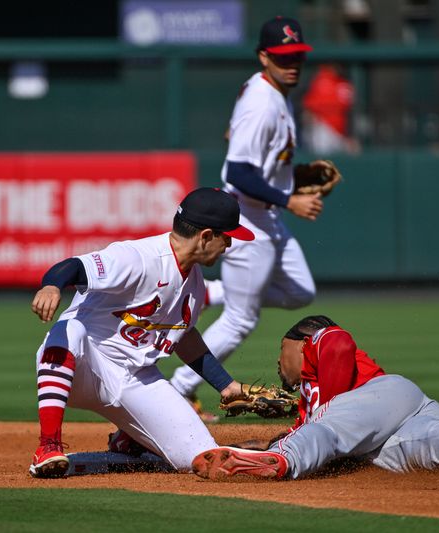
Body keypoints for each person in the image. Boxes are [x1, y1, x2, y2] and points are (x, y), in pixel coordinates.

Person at [28, 187, 256, 478]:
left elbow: (181, 335)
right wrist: (51, 285)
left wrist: (226, 385)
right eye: (227, 236)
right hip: (86, 368)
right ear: (206, 236)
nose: (229, 244)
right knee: (70, 328)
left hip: (137, 378)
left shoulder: (195, 283)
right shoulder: (137, 257)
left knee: (199, 457)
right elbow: (73, 266)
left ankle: (130, 442)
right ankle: (48, 445)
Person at [169, 16, 327, 420]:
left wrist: (290, 176)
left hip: (267, 212)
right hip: (249, 213)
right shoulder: (262, 102)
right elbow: (238, 170)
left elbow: (255, 148)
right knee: (241, 319)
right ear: (264, 57)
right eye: (281, 56)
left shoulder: (271, 90)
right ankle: (180, 390)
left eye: (297, 56)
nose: (291, 63)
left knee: (300, 291)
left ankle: (211, 293)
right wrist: (288, 199)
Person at [191, 315, 439, 480]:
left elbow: (338, 340)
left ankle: (281, 464)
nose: (277, 363)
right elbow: (308, 433)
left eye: (280, 352)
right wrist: (242, 447)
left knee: (324, 435)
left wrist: (321, 412)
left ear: (299, 342)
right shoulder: (309, 408)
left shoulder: (318, 342)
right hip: (385, 438)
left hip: (386, 397)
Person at [301, 63, 360, 155]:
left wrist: (350, 135)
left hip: (341, 134)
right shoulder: (319, 80)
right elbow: (308, 111)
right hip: (323, 129)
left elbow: (351, 112)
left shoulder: (344, 84)